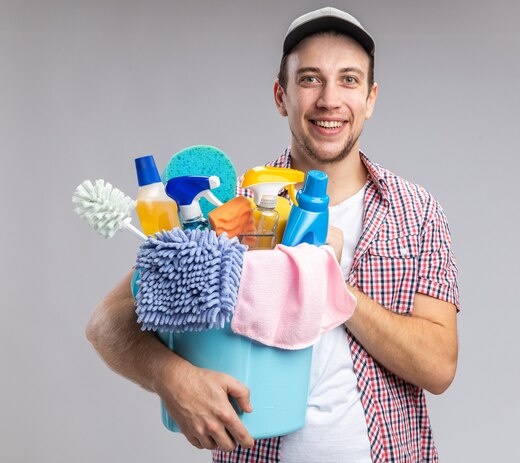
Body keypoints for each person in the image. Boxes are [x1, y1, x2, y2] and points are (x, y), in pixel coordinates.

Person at [86, 7, 459, 463]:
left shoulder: (416, 212)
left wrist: (330, 288)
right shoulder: (226, 212)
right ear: (281, 96)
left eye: (348, 80)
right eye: (309, 79)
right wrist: (173, 378)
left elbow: (438, 367)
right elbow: (106, 323)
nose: (329, 100)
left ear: (370, 98)